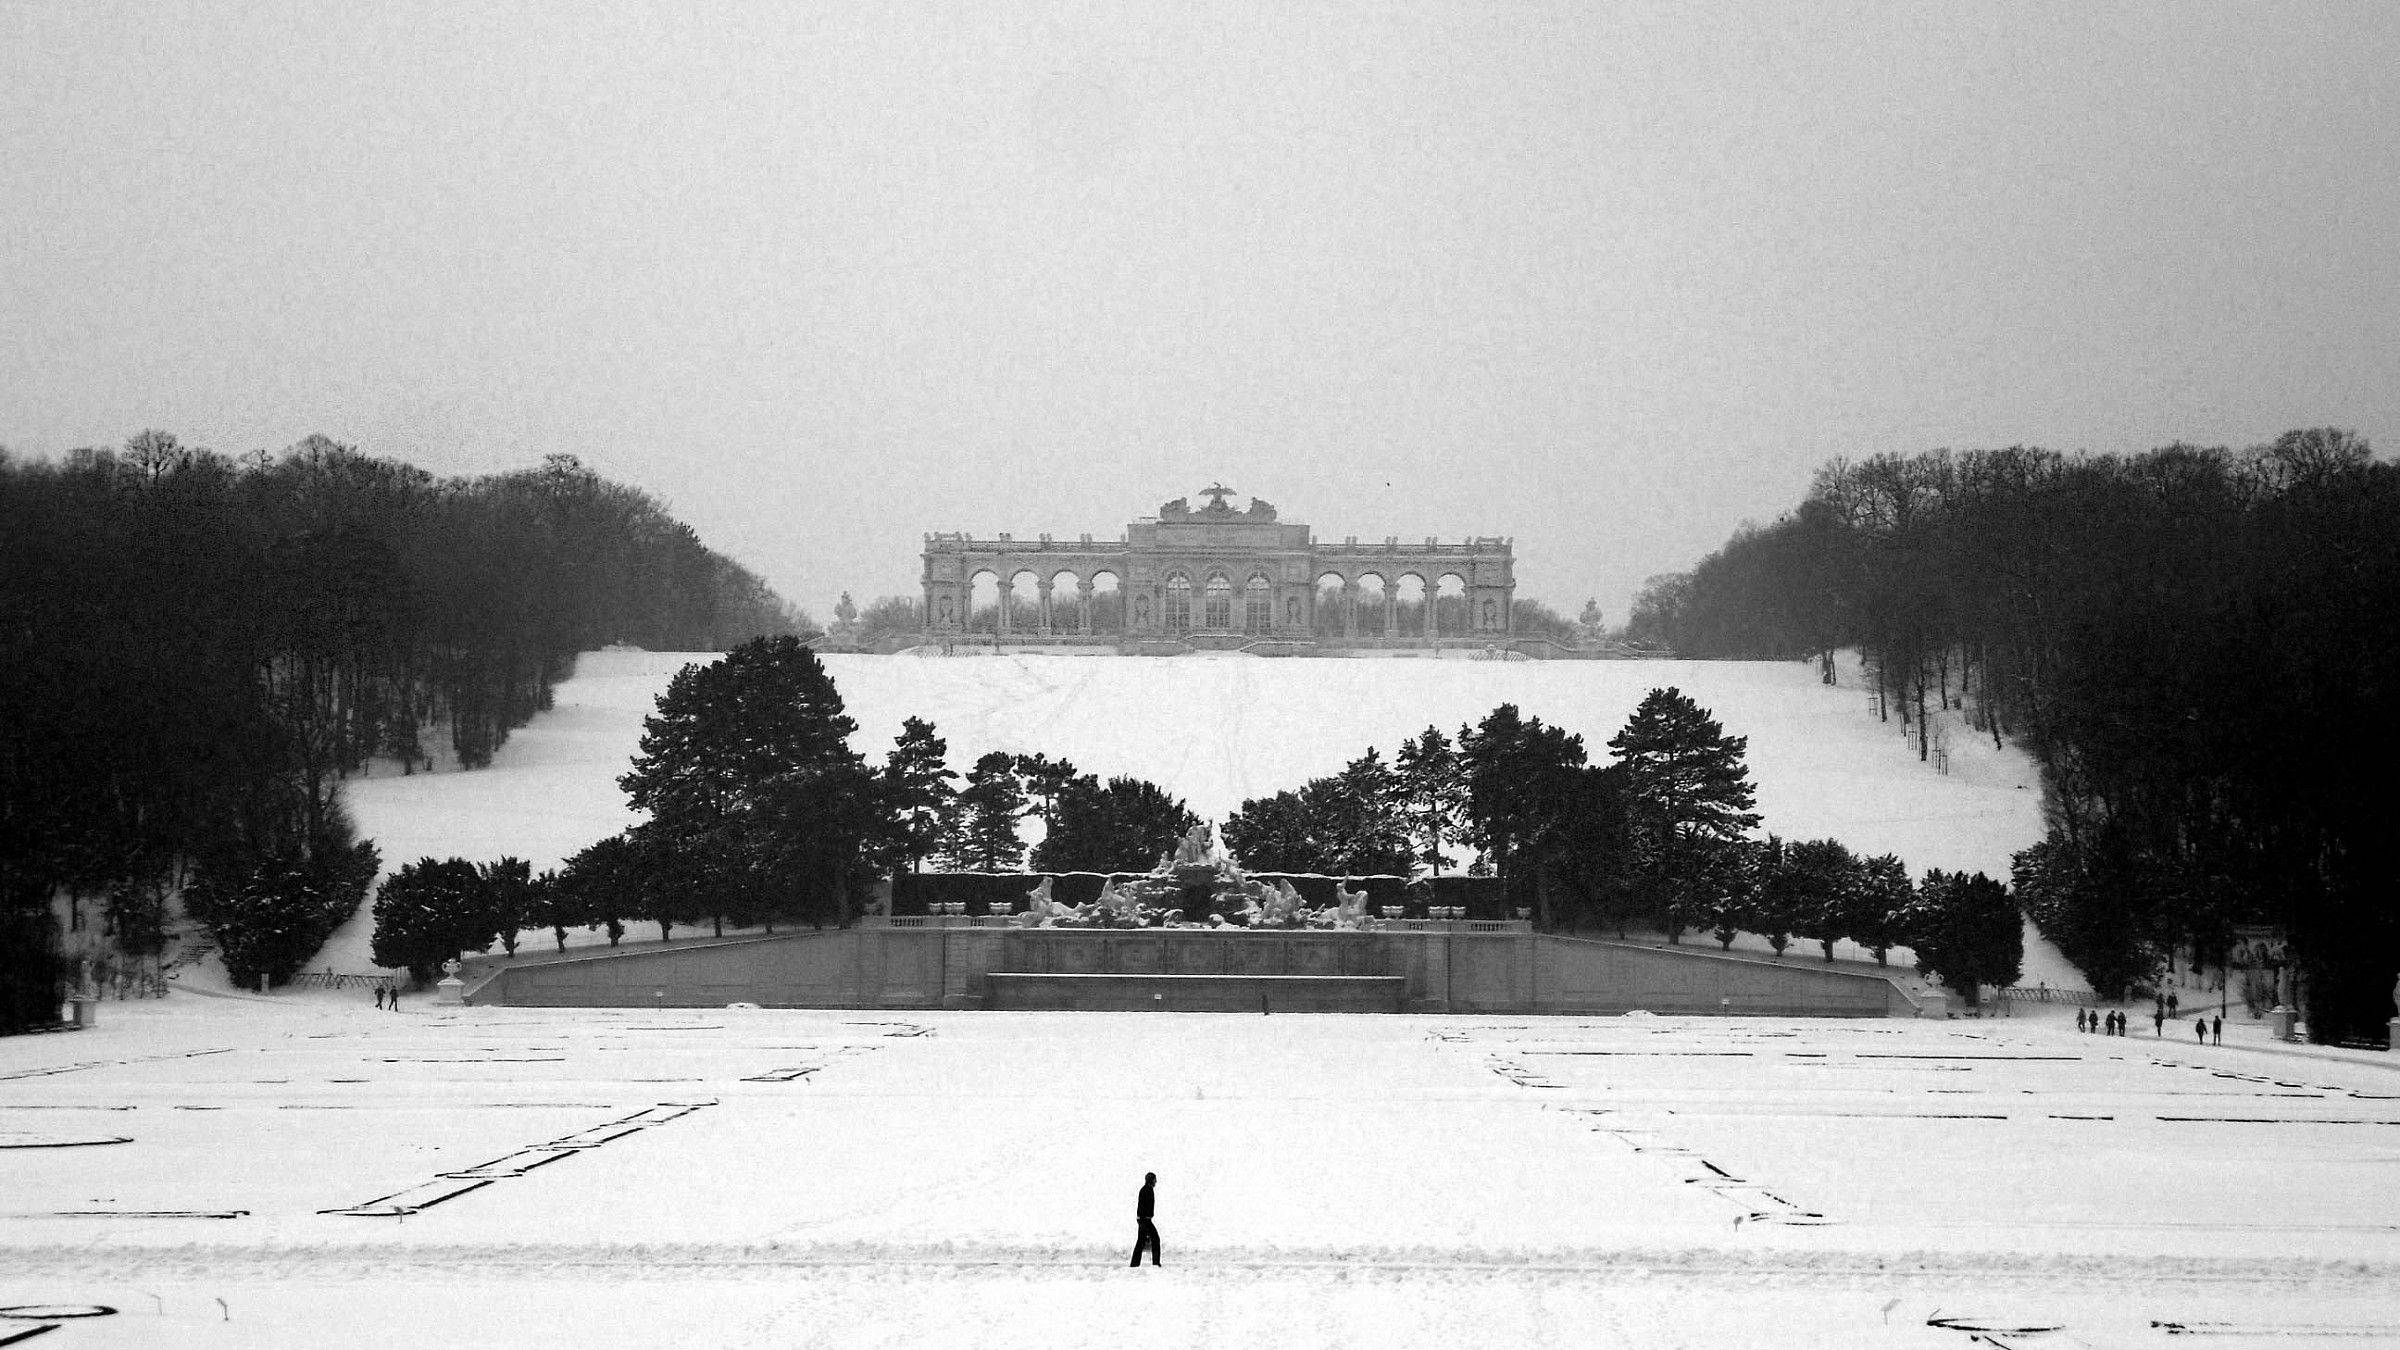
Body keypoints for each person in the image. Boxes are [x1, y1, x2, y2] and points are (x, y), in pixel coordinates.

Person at [1130, 1172, 1161, 1267]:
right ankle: (1155, 1263)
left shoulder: (1146, 1189)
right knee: (1155, 1240)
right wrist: (1144, 1218)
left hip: (1144, 1220)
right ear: (1151, 1180)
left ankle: (1135, 1264)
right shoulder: (1147, 1190)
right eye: (1155, 1179)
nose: (1156, 1181)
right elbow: (1143, 1206)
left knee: (1141, 1241)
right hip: (1145, 1220)